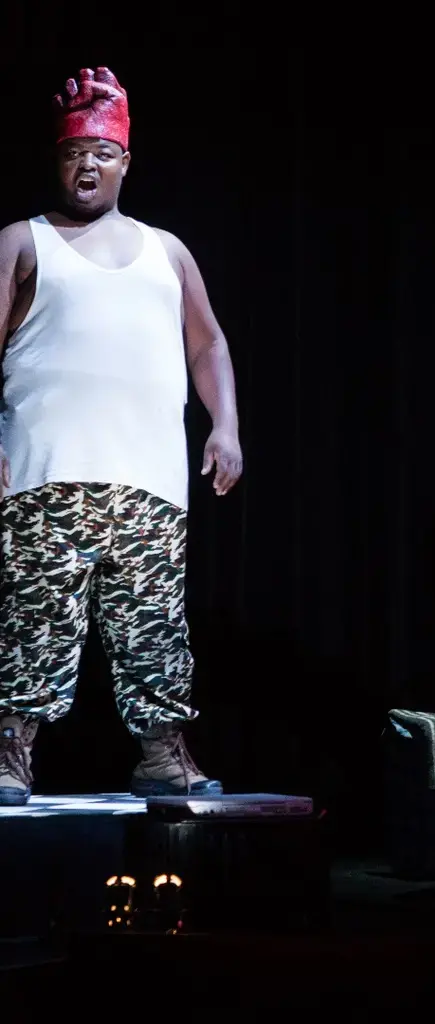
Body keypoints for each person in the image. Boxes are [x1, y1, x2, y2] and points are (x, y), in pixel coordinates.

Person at [0, 68, 241, 806]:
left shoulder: (166, 251)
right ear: (57, 159)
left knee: (155, 628)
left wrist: (225, 424)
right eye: (75, 152)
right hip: (45, 472)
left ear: (126, 161)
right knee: (34, 623)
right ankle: (11, 755)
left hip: (148, 481)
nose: (88, 165)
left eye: (103, 153)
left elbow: (207, 345)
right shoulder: (23, 241)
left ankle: (163, 756)